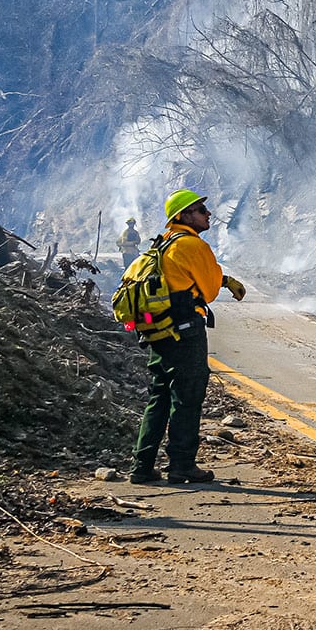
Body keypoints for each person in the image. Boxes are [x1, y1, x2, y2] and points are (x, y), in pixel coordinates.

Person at [128, 190, 247, 485]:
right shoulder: (193, 246)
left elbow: (178, 279)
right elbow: (205, 291)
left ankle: (141, 466)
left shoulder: (163, 245)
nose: (207, 214)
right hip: (185, 332)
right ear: (182, 216)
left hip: (158, 332)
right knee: (188, 398)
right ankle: (181, 465)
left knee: (159, 396)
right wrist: (220, 280)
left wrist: (223, 279)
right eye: (199, 210)